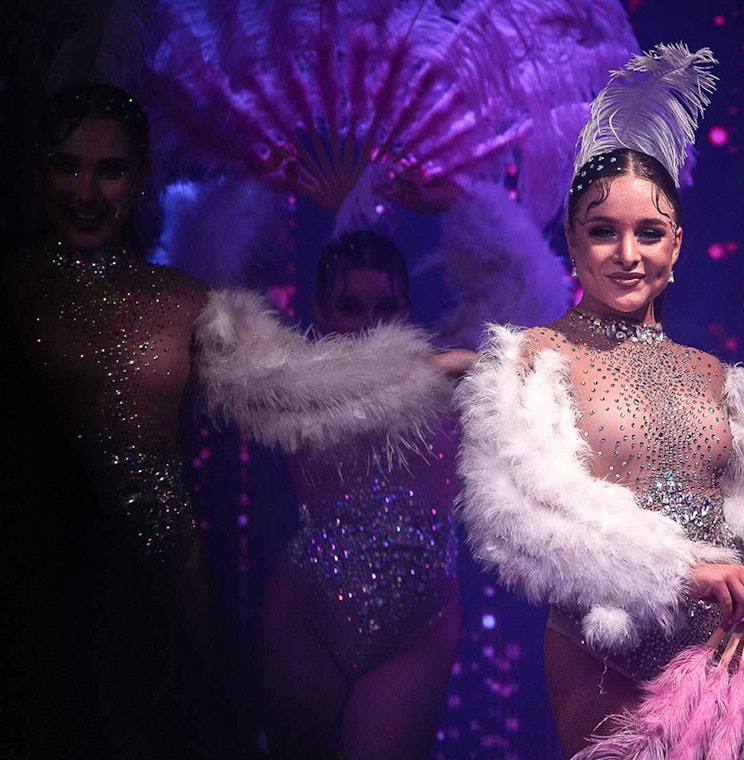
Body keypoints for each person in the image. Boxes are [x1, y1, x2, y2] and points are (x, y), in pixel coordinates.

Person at [453, 45, 744, 757]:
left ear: (678, 245)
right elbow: (517, 526)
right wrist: (680, 574)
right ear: (573, 241)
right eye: (603, 231)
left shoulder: (717, 377)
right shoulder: (530, 360)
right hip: (602, 653)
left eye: (649, 232)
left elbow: (727, 508)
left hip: (729, 653)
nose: (626, 254)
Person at [1, 83, 230, 758]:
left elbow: (291, 390)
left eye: (110, 169)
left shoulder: (184, 300)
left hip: (163, 589)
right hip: (36, 591)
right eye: (67, 165)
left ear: (141, 178)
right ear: (36, 168)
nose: (86, 191)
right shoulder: (13, 289)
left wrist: (418, 367)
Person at [194, 230, 475, 758]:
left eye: (384, 306)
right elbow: (222, 352)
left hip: (421, 626)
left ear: (406, 308)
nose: (369, 322)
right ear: (321, 314)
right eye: (351, 306)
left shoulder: (455, 381)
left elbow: (522, 359)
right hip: (305, 617)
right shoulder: (295, 388)